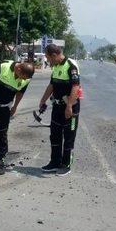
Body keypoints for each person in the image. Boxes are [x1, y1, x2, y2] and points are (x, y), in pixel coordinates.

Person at [38, 44, 81, 176]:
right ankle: (54, 162)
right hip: (56, 107)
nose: (48, 61)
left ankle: (66, 165)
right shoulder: (56, 67)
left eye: (48, 58)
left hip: (70, 107)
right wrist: (43, 100)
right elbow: (52, 85)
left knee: (68, 137)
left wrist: (69, 107)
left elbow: (75, 87)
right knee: (55, 135)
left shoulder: (71, 65)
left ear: (54, 55)